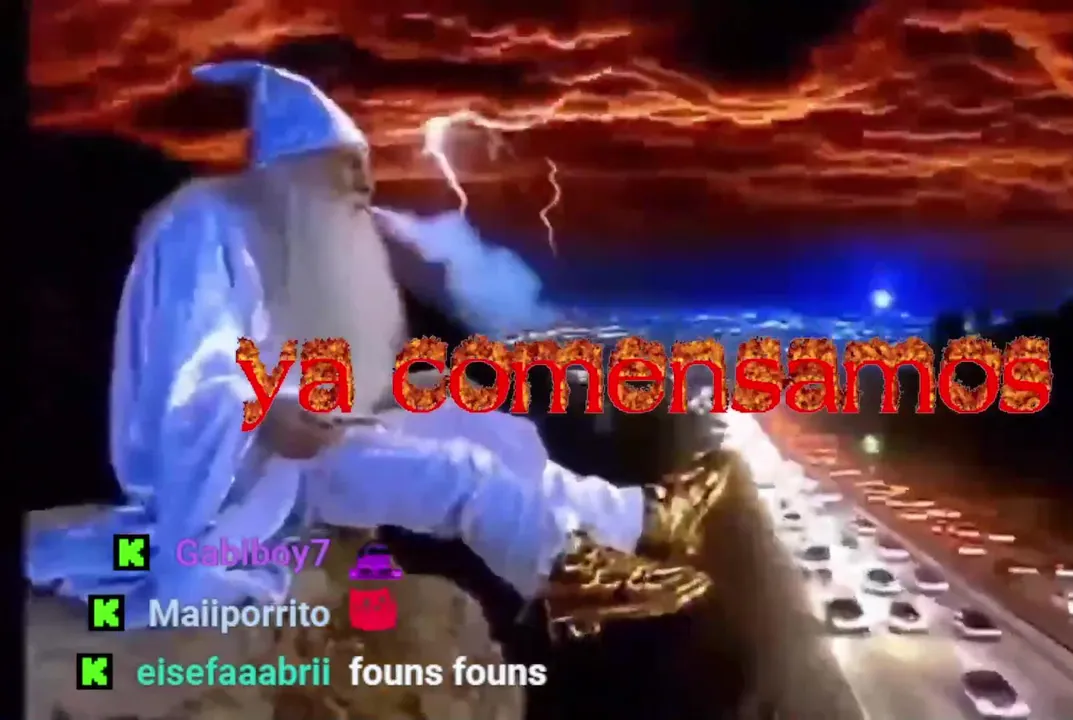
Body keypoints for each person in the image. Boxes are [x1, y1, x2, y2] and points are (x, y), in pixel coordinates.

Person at [25, 60, 728, 637]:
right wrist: (265, 416)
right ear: (294, 171)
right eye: (345, 168)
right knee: (459, 473)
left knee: (483, 424)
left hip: (306, 436)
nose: (365, 185)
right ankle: (567, 580)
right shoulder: (202, 229)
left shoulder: (295, 235)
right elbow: (190, 368)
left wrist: (390, 388)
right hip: (238, 473)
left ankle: (640, 517)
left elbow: (311, 354)